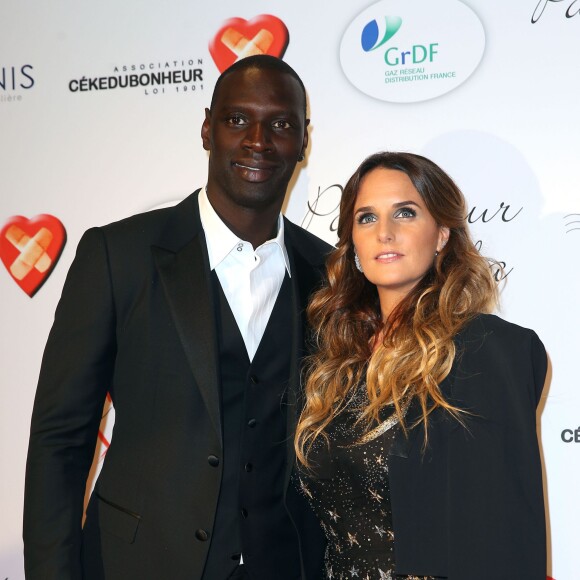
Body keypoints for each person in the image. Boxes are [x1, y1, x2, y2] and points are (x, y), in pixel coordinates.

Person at [23, 55, 330, 580]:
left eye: (281, 124)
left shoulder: (330, 274)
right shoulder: (118, 255)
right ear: (207, 128)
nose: (258, 140)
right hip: (135, 564)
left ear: (303, 141)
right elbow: (61, 441)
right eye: (237, 120)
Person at [295, 152, 547, 580]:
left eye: (405, 213)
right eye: (367, 218)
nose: (385, 233)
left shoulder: (485, 351)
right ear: (352, 242)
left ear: (442, 234)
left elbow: (502, 534)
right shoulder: (335, 360)